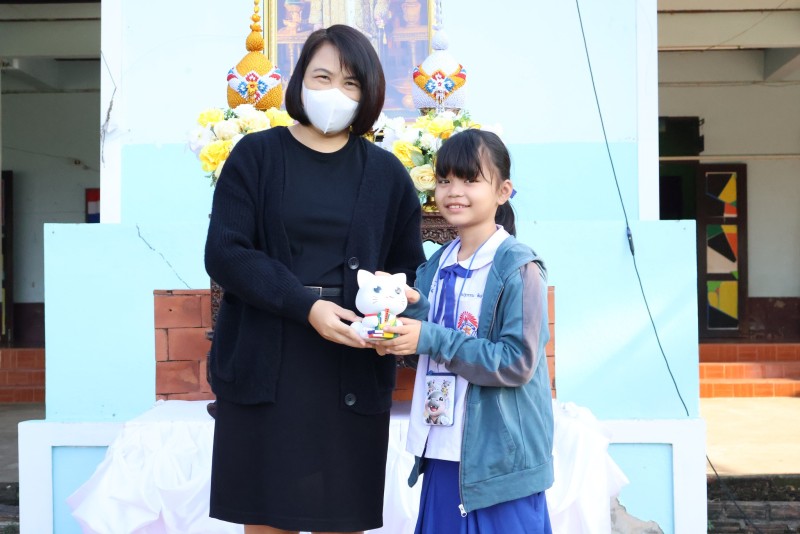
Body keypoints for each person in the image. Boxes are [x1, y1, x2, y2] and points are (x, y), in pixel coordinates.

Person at [204, 24, 426, 534]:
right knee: (267, 521)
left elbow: (409, 267)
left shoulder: (387, 175)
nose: (335, 92)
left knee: (340, 520)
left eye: (351, 83)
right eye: (322, 77)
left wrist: (398, 304)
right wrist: (306, 306)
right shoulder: (255, 156)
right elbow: (226, 253)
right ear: (300, 79)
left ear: (368, 94)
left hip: (352, 364)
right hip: (266, 361)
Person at [374, 129, 555, 533]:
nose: (453, 191)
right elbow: (434, 340)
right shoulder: (436, 265)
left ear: (503, 191)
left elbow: (516, 362)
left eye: (470, 179)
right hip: (442, 449)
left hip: (498, 463)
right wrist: (400, 325)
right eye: (444, 180)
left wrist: (428, 337)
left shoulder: (519, 268)